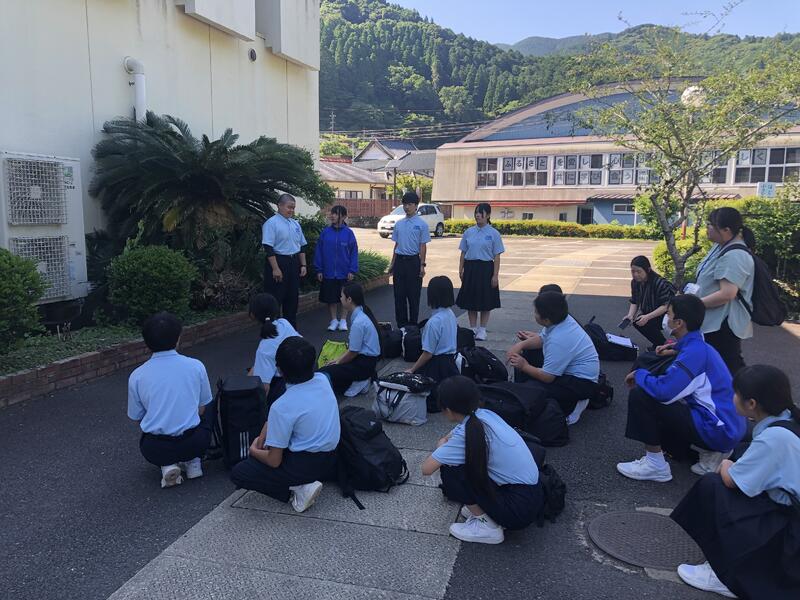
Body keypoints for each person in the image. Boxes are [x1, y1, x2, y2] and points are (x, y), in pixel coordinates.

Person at [671, 364, 800, 599]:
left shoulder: (774, 438)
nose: (733, 397)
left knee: (713, 486)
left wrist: (725, 464)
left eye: (736, 393)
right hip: (790, 516)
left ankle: (725, 575)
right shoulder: (788, 418)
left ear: (752, 404)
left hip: (790, 533)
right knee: (738, 457)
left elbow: (731, 480)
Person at [616, 294, 746, 483]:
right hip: (727, 426)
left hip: (719, 431)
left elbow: (664, 392)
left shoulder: (694, 354)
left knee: (642, 394)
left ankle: (655, 466)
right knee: (663, 394)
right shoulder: (699, 345)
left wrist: (639, 375)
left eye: (668, 314)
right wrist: (675, 348)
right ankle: (710, 452)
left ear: (678, 323)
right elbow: (689, 351)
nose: (665, 318)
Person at [422, 376, 543, 544]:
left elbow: (427, 468)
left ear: (447, 410)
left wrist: (442, 447)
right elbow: (449, 438)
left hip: (516, 510)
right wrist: (445, 446)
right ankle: (484, 510)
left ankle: (488, 527)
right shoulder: (485, 415)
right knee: (461, 459)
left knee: (450, 469)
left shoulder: (468, 431)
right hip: (532, 496)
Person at [230, 337, 340, 513]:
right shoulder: (322, 379)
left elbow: (274, 461)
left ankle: (297, 490)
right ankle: (302, 482)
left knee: (240, 473)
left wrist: (253, 450)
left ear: (279, 370)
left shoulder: (282, 407)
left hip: (306, 465)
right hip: (333, 457)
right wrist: (266, 431)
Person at [128, 312, 214, 488]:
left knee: (153, 428)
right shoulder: (196, 366)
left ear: (146, 342)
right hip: (195, 442)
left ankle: (167, 465)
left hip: (155, 448)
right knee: (209, 405)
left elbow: (137, 417)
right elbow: (202, 408)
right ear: (178, 339)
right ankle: (193, 462)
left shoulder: (137, 376)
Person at [507, 291, 599, 417]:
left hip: (581, 383)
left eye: (536, 312)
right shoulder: (562, 320)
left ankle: (571, 408)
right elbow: (542, 339)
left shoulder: (559, 338)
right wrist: (520, 345)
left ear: (546, 320)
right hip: (571, 372)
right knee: (529, 355)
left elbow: (547, 377)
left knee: (532, 387)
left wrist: (524, 366)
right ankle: (524, 396)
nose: (534, 314)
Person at [695, 207, 755, 375]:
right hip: (714, 320)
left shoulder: (735, 254)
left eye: (710, 225)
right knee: (719, 365)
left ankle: (750, 390)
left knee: (729, 366)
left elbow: (727, 294)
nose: (707, 228)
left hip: (723, 323)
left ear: (726, 230)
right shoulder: (720, 246)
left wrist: (693, 304)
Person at [319, 282, 383, 396]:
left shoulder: (359, 322)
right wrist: (338, 360)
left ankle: (362, 379)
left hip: (363, 364)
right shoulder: (362, 311)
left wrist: (337, 362)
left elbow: (353, 352)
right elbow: (353, 350)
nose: (340, 298)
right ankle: (362, 379)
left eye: (342, 296)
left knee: (324, 372)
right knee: (332, 371)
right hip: (367, 361)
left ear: (349, 299)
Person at [406, 275, 459, 408]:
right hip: (451, 364)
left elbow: (427, 354)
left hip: (436, 366)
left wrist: (412, 369)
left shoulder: (433, 322)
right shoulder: (450, 314)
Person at [456, 203, 505, 341]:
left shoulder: (494, 233)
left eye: (481, 213)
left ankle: (482, 329)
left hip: (486, 268)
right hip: (470, 268)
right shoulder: (469, 232)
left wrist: (495, 275)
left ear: (488, 215)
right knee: (470, 300)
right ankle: (472, 328)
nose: (478, 215)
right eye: (476, 212)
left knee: (485, 300)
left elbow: (497, 256)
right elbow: (463, 252)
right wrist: (461, 269)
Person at [262, 193, 308, 328]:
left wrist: (303, 265)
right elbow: (268, 247)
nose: (292, 210)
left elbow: (302, 246)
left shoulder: (295, 224)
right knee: (275, 298)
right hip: (278, 262)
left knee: (292, 298)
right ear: (280, 206)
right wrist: (275, 269)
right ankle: (272, 331)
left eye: (293, 208)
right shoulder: (271, 223)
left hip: (293, 263)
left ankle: (290, 331)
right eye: (289, 207)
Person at [249, 293, 301, 407]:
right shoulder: (284, 323)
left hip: (285, 388)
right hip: (303, 373)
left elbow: (264, 388)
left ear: (252, 315)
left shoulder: (264, 349)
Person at [314, 205, 358, 332]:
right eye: (332, 213)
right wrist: (319, 269)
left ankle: (343, 320)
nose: (332, 216)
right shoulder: (325, 232)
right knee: (331, 298)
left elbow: (354, 253)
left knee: (345, 297)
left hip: (344, 272)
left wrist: (352, 270)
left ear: (343, 217)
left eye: (335, 214)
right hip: (328, 272)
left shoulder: (349, 233)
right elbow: (319, 251)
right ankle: (333, 320)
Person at [388, 192, 430, 327]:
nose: (407, 207)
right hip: (400, 262)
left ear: (416, 206)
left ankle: (412, 326)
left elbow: (423, 246)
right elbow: (396, 245)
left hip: (414, 262)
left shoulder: (422, 225)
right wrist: (392, 263)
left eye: (410, 204)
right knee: (399, 296)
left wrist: (422, 265)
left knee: (413, 296)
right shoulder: (399, 224)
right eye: (405, 204)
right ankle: (401, 326)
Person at [623, 255, 676, 349]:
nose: (635, 274)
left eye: (639, 271)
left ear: (648, 270)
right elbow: (634, 300)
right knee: (638, 321)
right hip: (650, 311)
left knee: (644, 320)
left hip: (667, 314)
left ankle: (663, 344)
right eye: (633, 271)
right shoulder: (635, 282)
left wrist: (647, 317)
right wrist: (630, 315)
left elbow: (665, 306)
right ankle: (660, 343)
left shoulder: (659, 283)